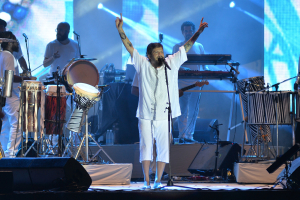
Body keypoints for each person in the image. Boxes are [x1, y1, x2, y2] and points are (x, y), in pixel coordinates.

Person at [115, 13, 208, 189]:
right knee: (146, 148)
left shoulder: (171, 62)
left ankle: (158, 180)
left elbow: (187, 47)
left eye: (161, 52)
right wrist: (120, 30)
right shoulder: (142, 64)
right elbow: (129, 47)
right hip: (146, 114)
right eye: (156, 53)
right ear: (149, 55)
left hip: (164, 114)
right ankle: (146, 181)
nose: (160, 54)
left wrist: (199, 32)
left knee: (163, 149)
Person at [0, 31, 36, 157]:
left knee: (6, 125)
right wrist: (25, 78)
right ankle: (12, 153)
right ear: (10, 42)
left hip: (4, 95)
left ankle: (4, 152)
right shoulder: (8, 56)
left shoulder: (1, 55)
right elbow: (8, 77)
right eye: (14, 40)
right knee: (17, 123)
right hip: (10, 95)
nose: (16, 43)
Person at [172, 21, 209, 144]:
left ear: (193, 31)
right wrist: (183, 69)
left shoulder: (199, 46)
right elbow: (173, 64)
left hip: (196, 83)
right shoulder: (177, 46)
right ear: (182, 32)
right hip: (182, 82)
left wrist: (208, 74)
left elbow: (204, 65)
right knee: (182, 110)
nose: (188, 33)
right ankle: (182, 135)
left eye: (190, 31)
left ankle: (189, 135)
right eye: (186, 31)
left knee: (194, 110)